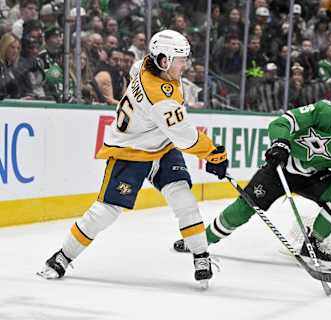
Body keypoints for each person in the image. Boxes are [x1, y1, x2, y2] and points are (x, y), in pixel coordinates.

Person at [38, 30, 228, 288]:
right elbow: (186, 138)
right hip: (130, 151)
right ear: (163, 61)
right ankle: (62, 256)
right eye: (180, 59)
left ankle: (201, 255)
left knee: (182, 196)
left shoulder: (142, 65)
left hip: (161, 146)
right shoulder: (160, 97)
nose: (185, 64)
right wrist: (214, 154)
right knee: (105, 211)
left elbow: (170, 123)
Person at [173, 90, 331, 270]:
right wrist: (281, 143)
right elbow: (283, 122)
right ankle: (200, 241)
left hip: (313, 177)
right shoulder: (324, 111)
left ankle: (312, 245)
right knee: (245, 206)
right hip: (281, 169)